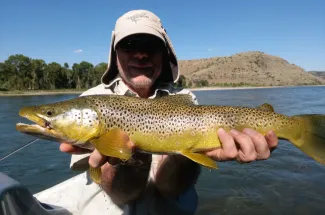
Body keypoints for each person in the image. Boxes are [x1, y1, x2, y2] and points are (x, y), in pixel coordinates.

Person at [58, 9, 279, 215]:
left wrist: (190, 154)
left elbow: (171, 188)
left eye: (151, 45)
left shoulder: (185, 99)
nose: (141, 54)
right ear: (115, 54)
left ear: (164, 53)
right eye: (130, 45)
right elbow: (123, 194)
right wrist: (128, 158)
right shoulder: (90, 102)